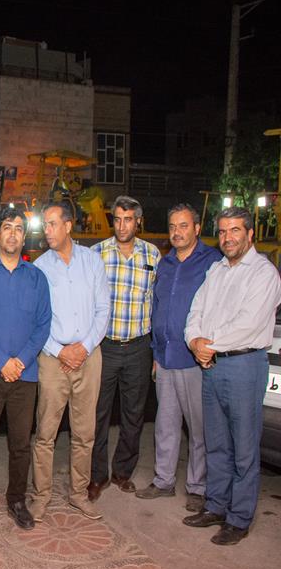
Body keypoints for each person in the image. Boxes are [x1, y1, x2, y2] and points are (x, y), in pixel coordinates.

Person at [183, 206, 281, 545]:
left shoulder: (264, 274)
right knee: (217, 443)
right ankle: (216, 505)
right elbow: (195, 311)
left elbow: (248, 324)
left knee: (244, 447)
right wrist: (194, 341)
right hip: (211, 365)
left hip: (244, 365)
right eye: (223, 231)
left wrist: (207, 346)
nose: (227, 237)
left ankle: (239, 518)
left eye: (235, 230)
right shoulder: (216, 270)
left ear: (250, 234)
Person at [0, 206, 51, 532]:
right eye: (7, 228)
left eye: (18, 228)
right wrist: (3, 361)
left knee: (20, 444)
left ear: (24, 236)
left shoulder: (36, 277)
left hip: (24, 376)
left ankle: (17, 500)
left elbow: (43, 324)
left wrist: (22, 361)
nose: (13, 234)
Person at [135, 204, 220, 512]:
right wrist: (156, 354)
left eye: (183, 226)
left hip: (195, 359)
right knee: (165, 424)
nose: (177, 232)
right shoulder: (166, 262)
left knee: (198, 428)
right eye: (172, 226)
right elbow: (158, 308)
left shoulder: (212, 262)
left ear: (196, 228)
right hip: (165, 356)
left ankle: (198, 487)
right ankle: (163, 481)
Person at [32, 201, 110, 522]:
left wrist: (84, 347)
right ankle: (41, 496)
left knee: (84, 432)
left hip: (89, 357)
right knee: (45, 433)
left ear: (68, 225)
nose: (47, 230)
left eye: (52, 224)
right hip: (53, 359)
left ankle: (79, 493)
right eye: (45, 225)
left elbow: (103, 310)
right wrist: (59, 350)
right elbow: (36, 320)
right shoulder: (39, 267)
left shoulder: (92, 262)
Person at [88, 196, 160, 502]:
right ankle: (97, 476)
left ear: (138, 222)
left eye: (128, 219)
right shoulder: (97, 254)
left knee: (134, 414)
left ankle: (122, 472)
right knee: (98, 413)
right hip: (105, 346)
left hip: (139, 347)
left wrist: (156, 352)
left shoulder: (152, 254)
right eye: (117, 219)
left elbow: (157, 303)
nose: (122, 225)